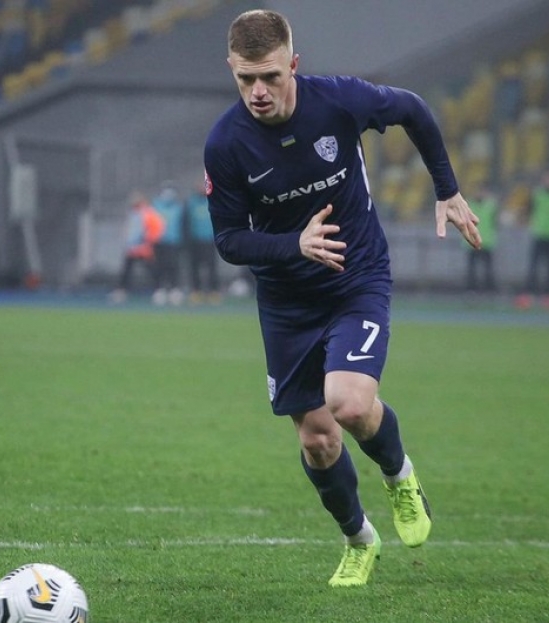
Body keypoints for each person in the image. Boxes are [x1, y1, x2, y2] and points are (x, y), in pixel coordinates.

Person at [203, 10, 481, 587]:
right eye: (246, 79)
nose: (258, 91)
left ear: (293, 65)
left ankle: (400, 476)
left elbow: (412, 109)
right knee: (318, 438)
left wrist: (447, 189)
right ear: (231, 69)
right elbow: (229, 240)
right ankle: (359, 539)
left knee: (350, 405)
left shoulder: (339, 102)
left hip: (357, 279)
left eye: (270, 76)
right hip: (286, 302)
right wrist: (294, 245)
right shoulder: (225, 144)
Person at [516, 171, 549, 310]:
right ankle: (528, 296)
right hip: (539, 234)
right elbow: (529, 211)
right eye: (548, 179)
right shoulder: (537, 195)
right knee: (534, 267)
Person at [108, 191, 164, 304]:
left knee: (152, 270)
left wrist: (149, 241)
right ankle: (121, 290)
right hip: (132, 248)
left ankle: (159, 291)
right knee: (126, 271)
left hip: (144, 248)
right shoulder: (133, 214)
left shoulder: (148, 213)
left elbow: (157, 228)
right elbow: (130, 230)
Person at [183, 176, 222, 303]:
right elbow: (186, 222)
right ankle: (196, 291)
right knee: (195, 267)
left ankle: (213, 291)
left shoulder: (214, 201)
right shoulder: (191, 203)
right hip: (195, 241)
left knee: (211, 267)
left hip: (210, 240)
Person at [151, 183, 186, 305]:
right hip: (158, 241)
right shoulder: (155, 206)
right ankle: (159, 289)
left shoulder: (178, 207)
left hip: (174, 241)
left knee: (173, 266)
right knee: (159, 267)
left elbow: (183, 224)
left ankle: (174, 290)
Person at [464, 185, 499, 292]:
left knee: (488, 268)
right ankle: (471, 289)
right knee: (472, 269)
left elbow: (495, 222)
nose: (480, 193)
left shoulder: (491, 205)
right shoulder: (468, 205)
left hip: (486, 241)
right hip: (472, 241)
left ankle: (489, 289)